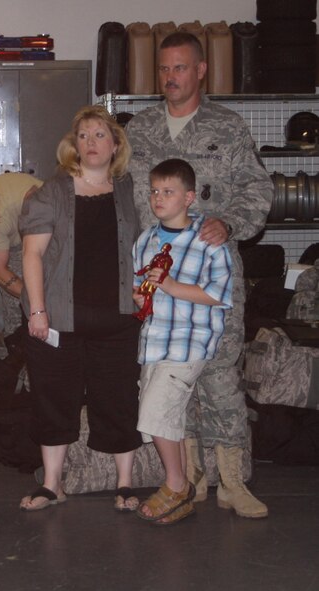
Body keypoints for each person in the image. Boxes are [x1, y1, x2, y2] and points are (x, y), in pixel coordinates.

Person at [126, 32, 273, 518]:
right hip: (159, 284)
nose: (171, 78)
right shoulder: (140, 128)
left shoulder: (226, 127)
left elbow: (257, 189)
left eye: (181, 68)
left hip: (210, 275)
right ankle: (190, 479)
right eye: (165, 69)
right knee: (169, 381)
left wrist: (230, 221)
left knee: (220, 377)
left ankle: (233, 480)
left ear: (201, 70)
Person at [18, 104, 143, 512]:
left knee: (119, 400)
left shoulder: (131, 191)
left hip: (119, 319)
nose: (91, 143)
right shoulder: (50, 192)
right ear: (73, 145)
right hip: (57, 319)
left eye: (100, 135)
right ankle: (53, 484)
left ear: (115, 144)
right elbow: (32, 255)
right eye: (84, 136)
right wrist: (37, 312)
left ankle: (126, 483)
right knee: (53, 399)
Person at [133, 158, 232, 525]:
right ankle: (182, 489)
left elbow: (218, 295)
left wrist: (171, 286)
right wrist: (139, 296)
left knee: (155, 414)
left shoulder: (208, 242)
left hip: (189, 343)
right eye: (155, 191)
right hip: (154, 341)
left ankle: (177, 484)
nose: (159, 198)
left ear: (189, 197)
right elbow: (140, 286)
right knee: (156, 416)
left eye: (169, 192)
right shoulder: (146, 240)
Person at [0, 172, 42, 342]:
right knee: (16, 304)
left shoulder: (52, 196)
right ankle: (13, 351)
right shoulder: (0, 215)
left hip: (18, 237)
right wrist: (35, 300)